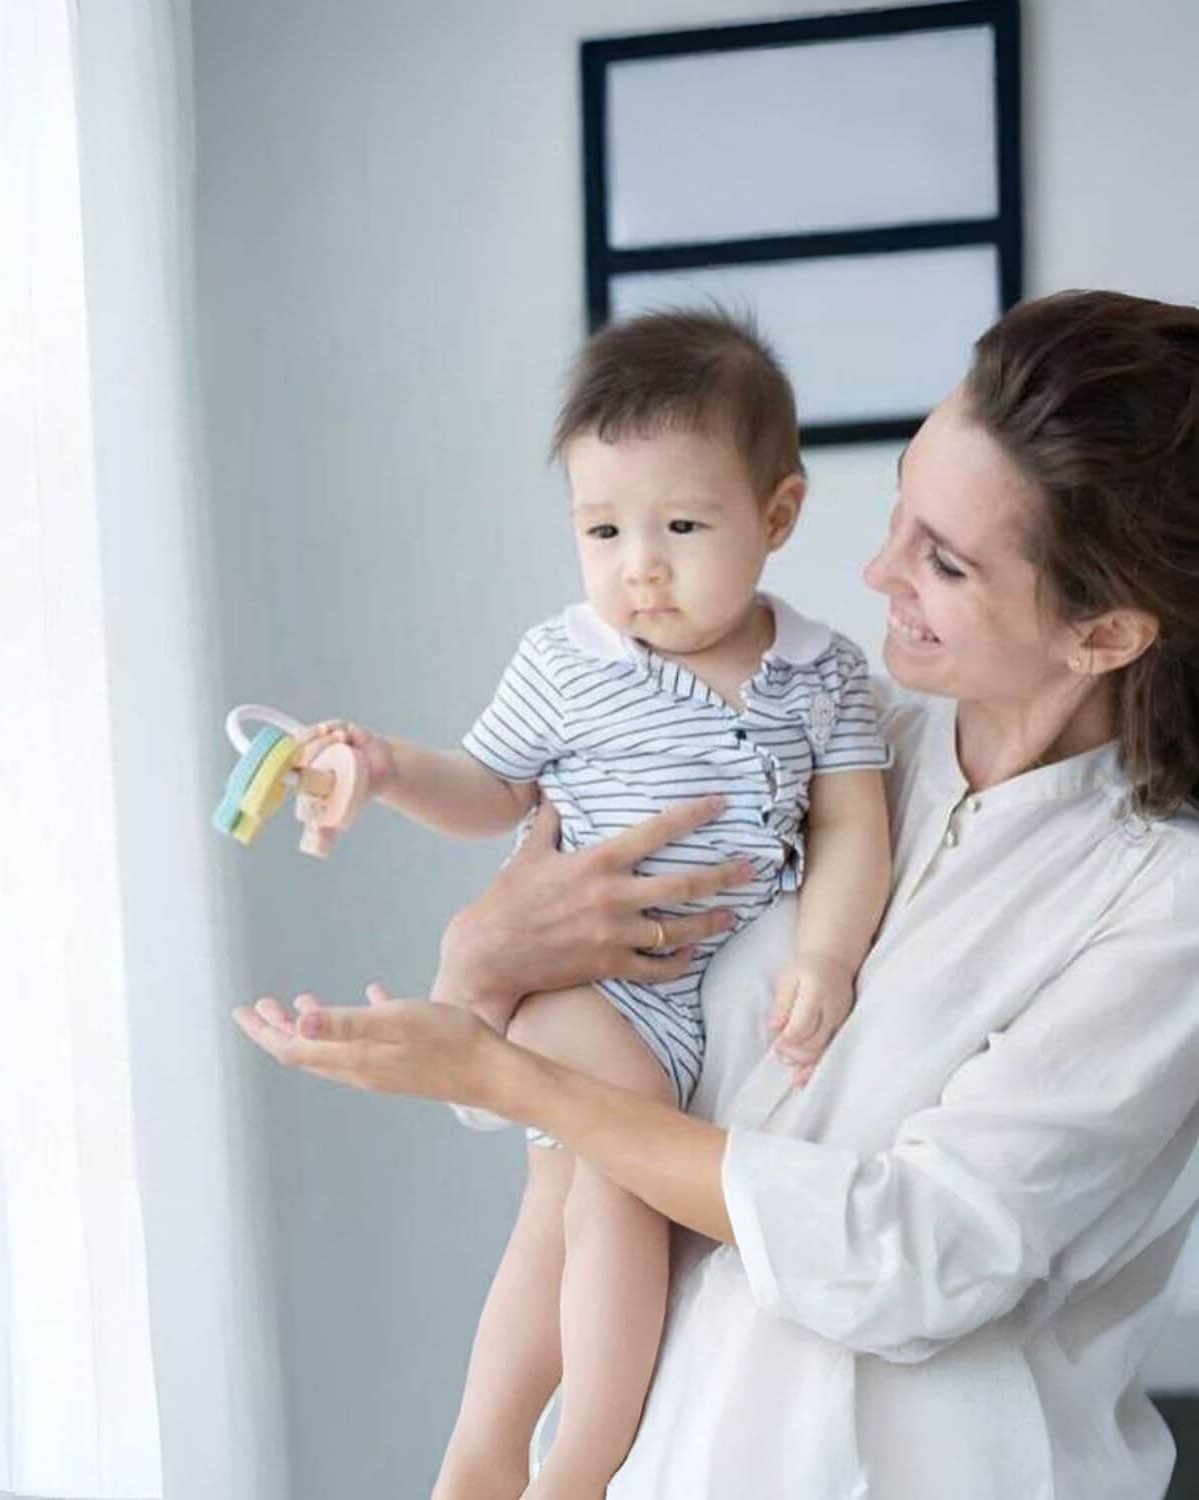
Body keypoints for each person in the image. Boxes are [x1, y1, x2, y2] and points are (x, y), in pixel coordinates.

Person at [233, 289, 1199, 1499]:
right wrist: (483, 971)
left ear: (1104, 634)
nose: (874, 568)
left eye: (944, 561)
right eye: (901, 503)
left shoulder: (1165, 907)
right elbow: (610, 1088)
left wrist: (498, 1071)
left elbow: (912, 1259)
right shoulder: (823, 757)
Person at [286, 308, 891, 1500]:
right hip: (578, 987)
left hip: (683, 1017)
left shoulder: (826, 675)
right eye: (603, 529)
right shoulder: (570, 660)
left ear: (776, 516)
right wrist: (392, 772)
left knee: (556, 1213)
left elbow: (853, 827)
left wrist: (824, 959)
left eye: (680, 526)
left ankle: (482, 1455)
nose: (639, 566)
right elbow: (487, 789)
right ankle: (582, 1470)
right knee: (620, 1203)